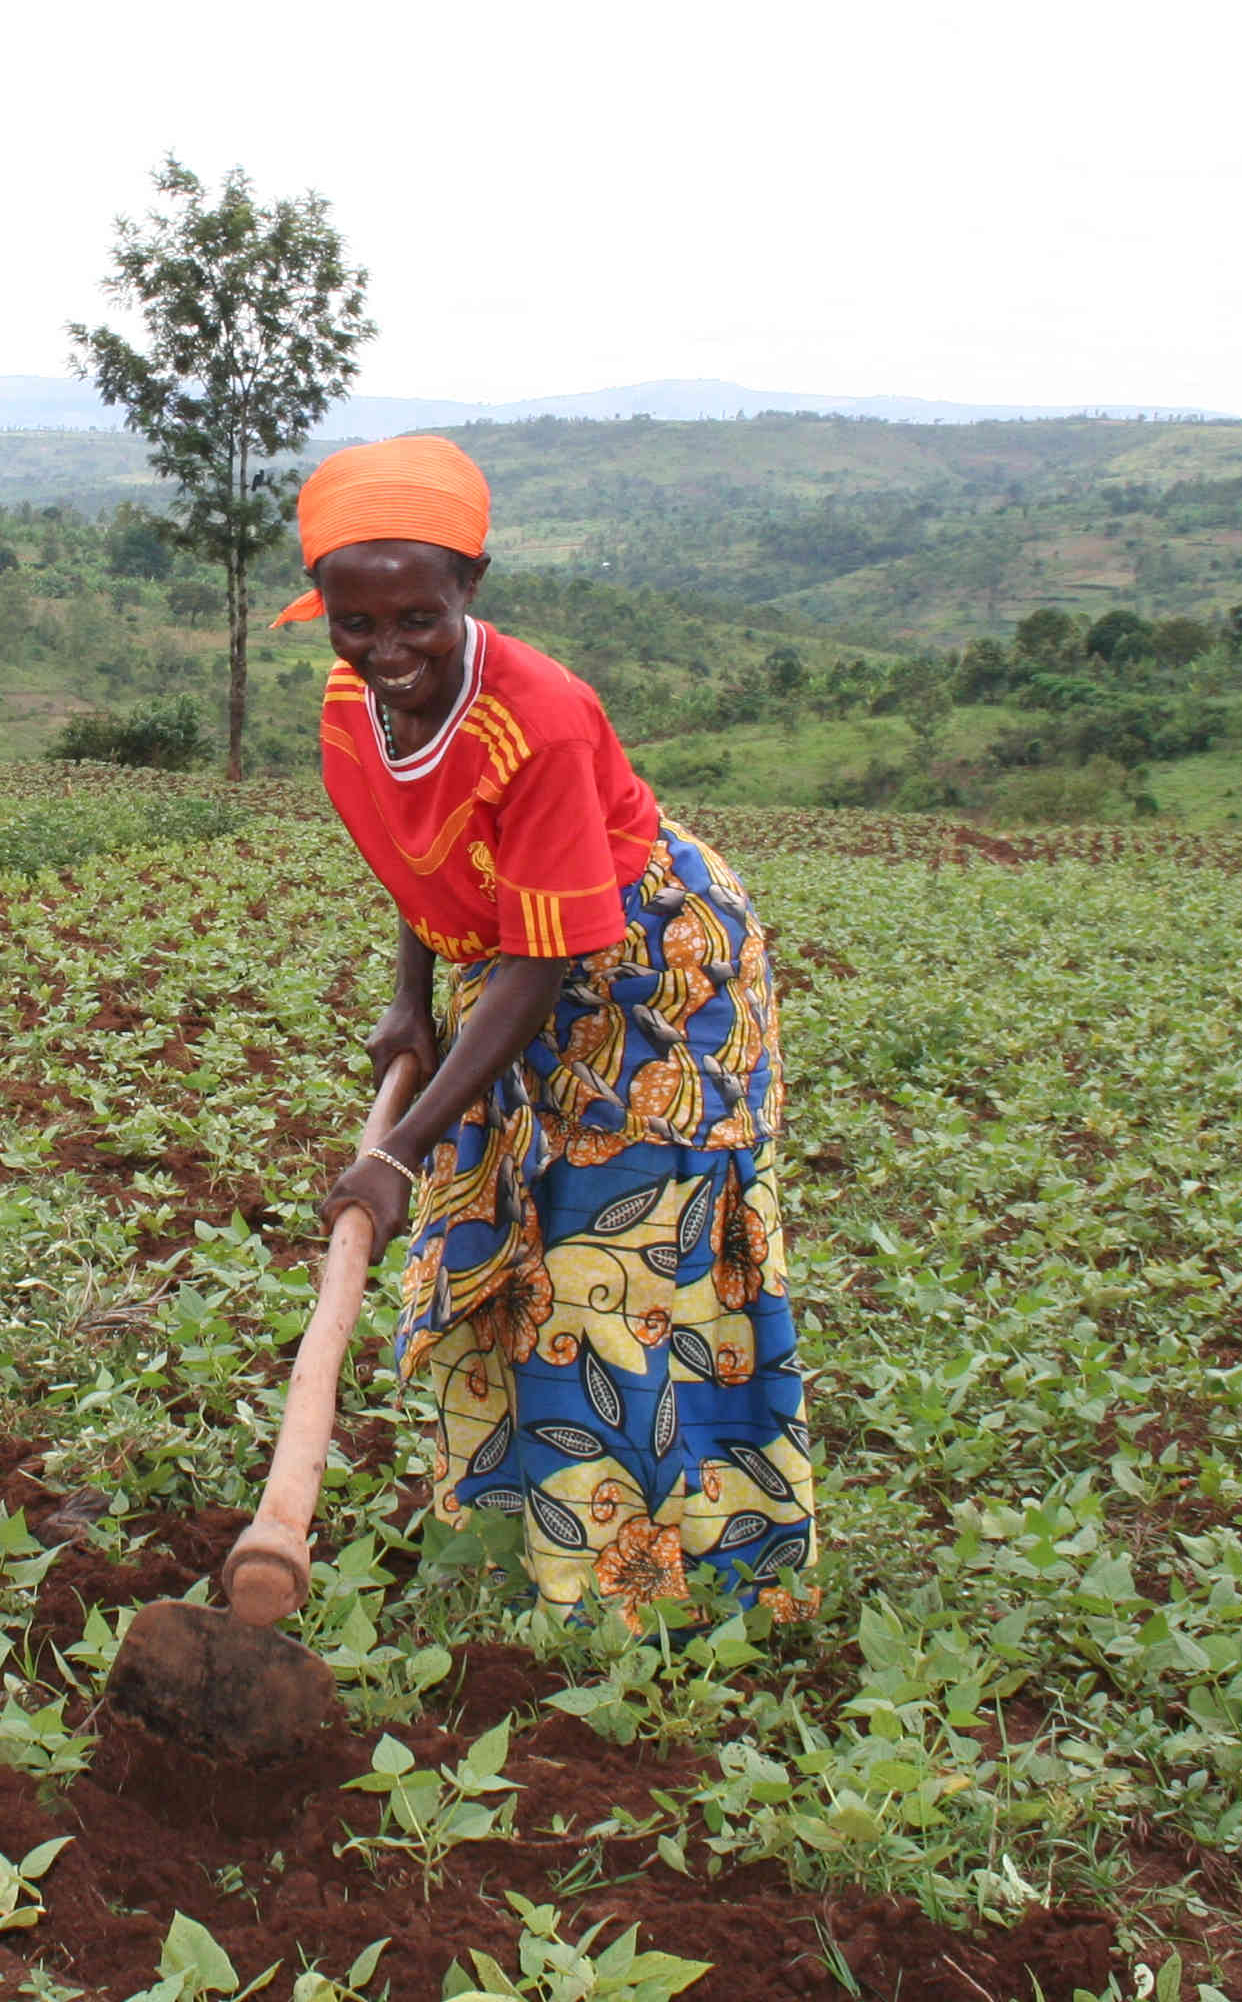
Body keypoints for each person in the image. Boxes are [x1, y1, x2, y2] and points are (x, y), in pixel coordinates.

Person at [289, 435, 817, 1635]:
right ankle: (517, 1536)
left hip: (652, 979)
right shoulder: (348, 705)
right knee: (513, 1243)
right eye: (353, 623)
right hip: (513, 960)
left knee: (618, 1265)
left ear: (470, 583)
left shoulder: (541, 720)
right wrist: (409, 996)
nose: (386, 654)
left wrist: (400, 1148)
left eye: (415, 618)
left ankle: (656, 1595)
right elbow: (416, 851)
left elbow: (545, 959)